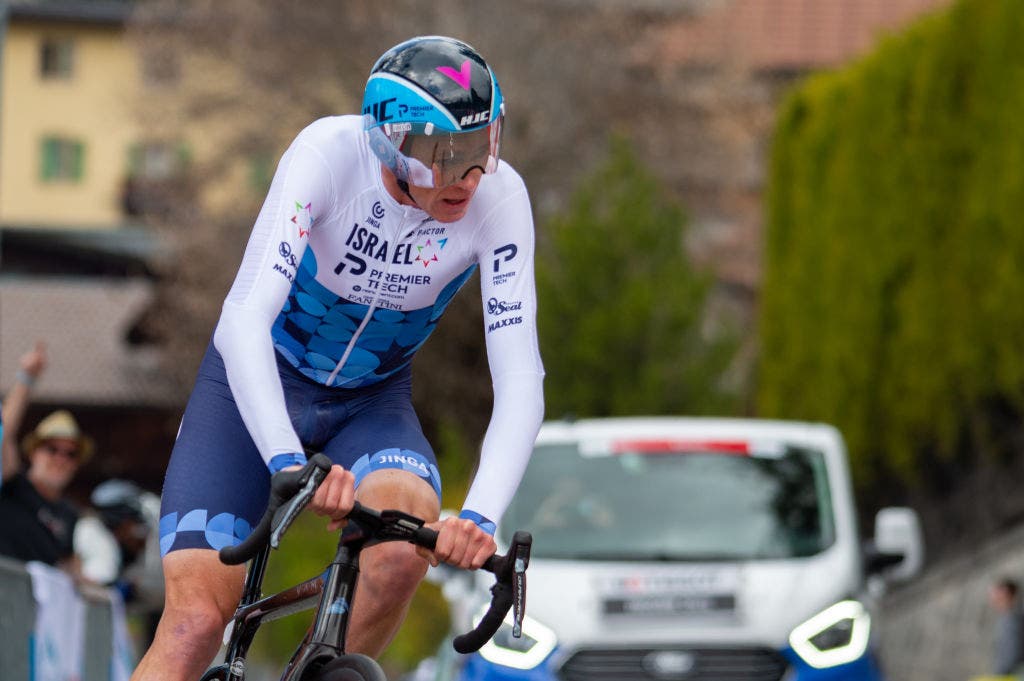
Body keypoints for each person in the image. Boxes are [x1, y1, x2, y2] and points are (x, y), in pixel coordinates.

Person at [131, 36, 544, 680]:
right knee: (194, 626)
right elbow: (243, 320)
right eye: (445, 155)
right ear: (391, 142)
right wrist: (287, 461)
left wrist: (482, 515)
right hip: (255, 388)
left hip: (371, 402)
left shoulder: (500, 199)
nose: (467, 177)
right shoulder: (327, 153)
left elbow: (519, 376)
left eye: (482, 148)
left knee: (405, 549)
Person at [0, 342, 95, 575]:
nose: (61, 458)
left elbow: (67, 568)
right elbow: (4, 434)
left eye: (71, 453)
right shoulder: (12, 486)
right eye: (52, 449)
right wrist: (26, 378)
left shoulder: (69, 514)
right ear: (33, 452)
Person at [989, 577, 1024, 676]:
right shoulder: (1010, 618)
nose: (993, 599)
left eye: (997, 594)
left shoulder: (1013, 620)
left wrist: (1001, 674)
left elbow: (1012, 654)